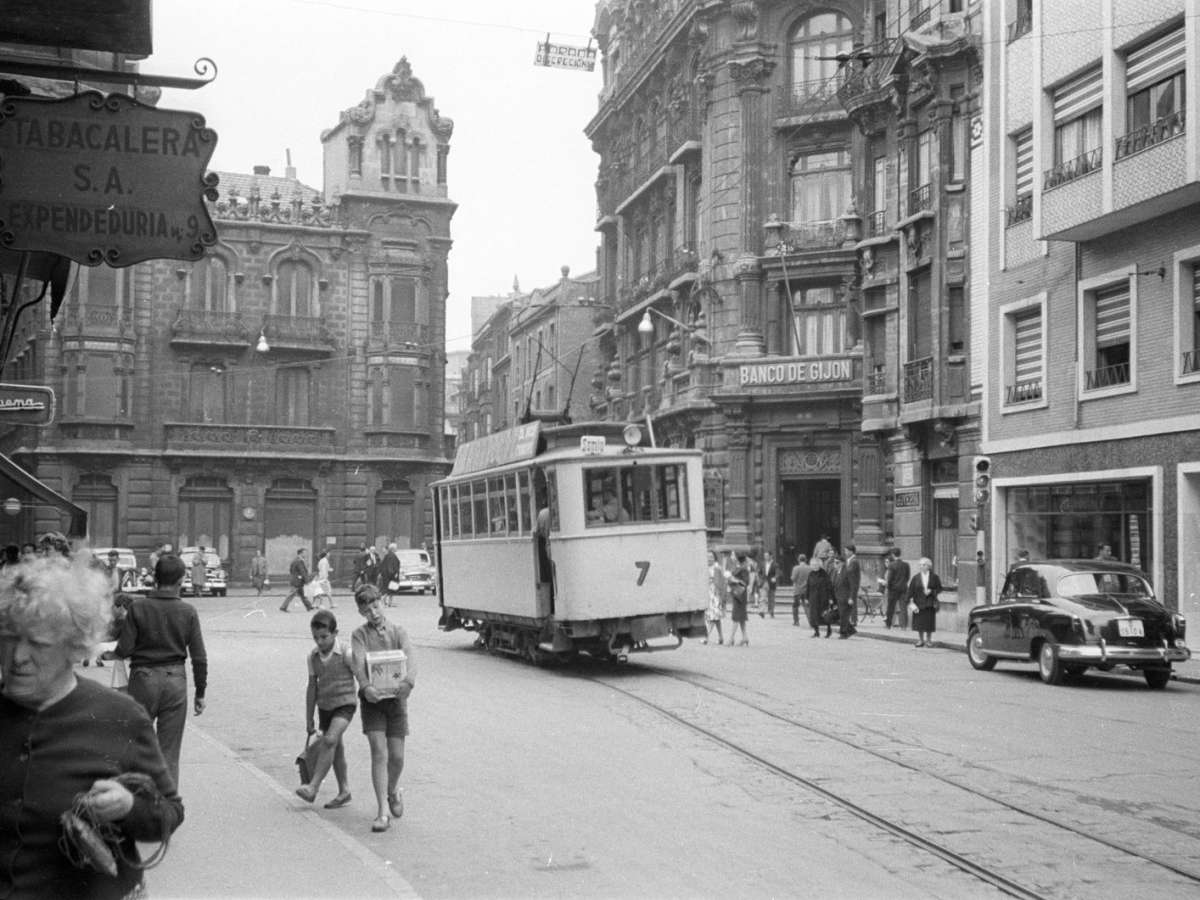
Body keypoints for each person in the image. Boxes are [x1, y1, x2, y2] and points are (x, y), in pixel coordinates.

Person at [0, 554, 184, 899]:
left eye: (37, 643)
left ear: (74, 647)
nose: (17, 656)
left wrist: (128, 807)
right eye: (8, 637)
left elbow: (169, 814)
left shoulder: (121, 717)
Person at [115, 553, 208, 786]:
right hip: (175, 681)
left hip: (143, 679)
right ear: (180, 581)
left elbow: (125, 648)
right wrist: (200, 692)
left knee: (138, 746)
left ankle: (137, 804)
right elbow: (199, 657)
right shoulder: (188, 611)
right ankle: (166, 808)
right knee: (169, 753)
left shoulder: (138, 608)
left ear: (155, 579)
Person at [351, 584, 416, 833]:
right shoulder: (360, 635)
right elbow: (358, 662)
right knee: (379, 752)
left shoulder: (398, 631)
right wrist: (366, 686)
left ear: (382, 603)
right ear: (361, 612)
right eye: (367, 610)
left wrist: (409, 682)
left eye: (376, 606)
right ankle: (382, 812)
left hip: (396, 700)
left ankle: (392, 790)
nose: (374, 613)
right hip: (373, 702)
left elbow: (410, 658)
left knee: (397, 756)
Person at [296, 610, 355, 810]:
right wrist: (309, 718)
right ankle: (344, 791)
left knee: (330, 740)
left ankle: (313, 787)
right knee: (336, 749)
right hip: (325, 707)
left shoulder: (346, 652)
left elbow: (361, 675)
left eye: (324, 637)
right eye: (316, 638)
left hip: (346, 704)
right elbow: (312, 687)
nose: (320, 642)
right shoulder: (312, 657)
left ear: (335, 633)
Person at [907, 556, 943, 648]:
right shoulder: (916, 578)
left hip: (929, 603)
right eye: (920, 565)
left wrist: (931, 591)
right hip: (918, 603)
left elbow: (939, 588)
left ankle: (929, 640)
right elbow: (910, 590)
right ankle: (920, 640)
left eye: (924, 565)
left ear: (929, 566)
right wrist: (910, 601)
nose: (921, 567)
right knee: (919, 623)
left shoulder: (934, 577)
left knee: (929, 623)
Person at [806, 552, 835, 638]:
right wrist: (807, 597)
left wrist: (830, 597)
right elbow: (808, 586)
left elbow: (829, 586)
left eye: (816, 564)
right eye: (813, 564)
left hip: (823, 598)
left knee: (825, 615)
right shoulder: (810, 574)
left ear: (819, 565)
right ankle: (816, 632)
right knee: (814, 616)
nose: (814, 566)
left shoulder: (824, 574)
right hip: (813, 598)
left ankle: (829, 630)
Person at [884, 548, 911, 630]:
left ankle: (888, 624)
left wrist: (888, 587)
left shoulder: (891, 565)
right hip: (903, 588)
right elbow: (908, 577)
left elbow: (890, 578)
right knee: (903, 608)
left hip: (893, 589)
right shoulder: (906, 565)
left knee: (891, 607)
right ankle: (904, 626)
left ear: (893, 555)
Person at [727, 552, 750, 647]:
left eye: (734, 556)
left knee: (736, 617)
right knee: (741, 617)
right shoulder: (740, 567)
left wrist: (734, 580)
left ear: (737, 558)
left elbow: (745, 582)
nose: (733, 557)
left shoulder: (743, 569)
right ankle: (745, 637)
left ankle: (731, 638)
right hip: (738, 594)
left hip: (740, 595)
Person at [703, 550, 726, 645]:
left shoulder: (717, 568)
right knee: (716, 617)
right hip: (707, 593)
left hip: (716, 594)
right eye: (708, 557)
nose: (709, 559)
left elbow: (722, 582)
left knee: (712, 617)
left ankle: (706, 637)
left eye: (711, 557)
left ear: (715, 558)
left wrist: (722, 596)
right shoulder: (704, 567)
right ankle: (721, 637)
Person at [280, 548, 314, 613]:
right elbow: (302, 572)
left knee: (302, 595)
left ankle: (309, 606)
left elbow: (291, 570)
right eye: (305, 553)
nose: (306, 554)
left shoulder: (295, 560)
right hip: (297, 581)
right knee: (291, 594)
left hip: (297, 580)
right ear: (301, 553)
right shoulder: (299, 561)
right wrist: (307, 580)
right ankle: (283, 607)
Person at [841, 543, 861, 636]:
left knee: (852, 601)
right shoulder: (848, 560)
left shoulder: (854, 561)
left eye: (846, 551)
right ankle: (850, 619)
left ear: (851, 551)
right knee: (849, 602)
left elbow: (850, 571)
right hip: (847, 585)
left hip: (852, 584)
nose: (845, 552)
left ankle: (854, 620)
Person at [790, 553, 811, 626]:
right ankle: (810, 621)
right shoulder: (810, 568)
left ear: (798, 560)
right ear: (806, 560)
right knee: (807, 606)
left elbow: (793, 578)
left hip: (797, 590)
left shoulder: (796, 568)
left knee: (795, 606)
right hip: (806, 590)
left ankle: (796, 621)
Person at [378, 542, 401, 607]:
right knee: (389, 590)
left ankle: (390, 603)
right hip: (390, 576)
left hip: (387, 575)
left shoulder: (389, 555)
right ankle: (383, 601)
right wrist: (394, 574)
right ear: (393, 548)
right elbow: (391, 566)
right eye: (396, 548)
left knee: (391, 590)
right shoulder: (392, 555)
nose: (397, 549)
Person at [759, 551, 778, 618]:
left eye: (767, 555)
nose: (765, 557)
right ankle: (762, 611)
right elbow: (760, 572)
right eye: (765, 555)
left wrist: (775, 578)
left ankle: (771, 611)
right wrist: (760, 579)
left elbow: (778, 573)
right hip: (764, 582)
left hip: (771, 583)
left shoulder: (775, 564)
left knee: (771, 598)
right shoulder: (762, 563)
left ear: (771, 556)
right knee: (763, 597)